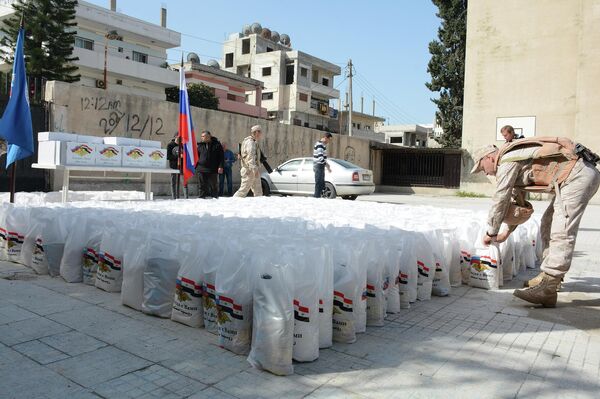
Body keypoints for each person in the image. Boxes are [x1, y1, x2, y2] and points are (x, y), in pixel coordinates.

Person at [470, 137, 600, 307]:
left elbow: (500, 199)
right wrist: (505, 233)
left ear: (489, 158)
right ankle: (549, 277)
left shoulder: (507, 161)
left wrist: (491, 232)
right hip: (574, 176)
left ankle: (548, 287)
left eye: (482, 168)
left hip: (577, 176)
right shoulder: (512, 160)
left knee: (562, 229)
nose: (485, 173)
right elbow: (517, 204)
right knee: (548, 222)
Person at [234, 125, 263, 198]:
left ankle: (259, 206)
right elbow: (251, 157)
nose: (260, 134)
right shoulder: (250, 142)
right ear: (256, 132)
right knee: (243, 190)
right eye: (259, 132)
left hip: (251, 169)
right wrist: (254, 169)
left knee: (258, 190)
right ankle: (233, 203)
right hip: (249, 170)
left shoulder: (251, 141)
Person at [196, 131, 224, 199]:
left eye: (203, 136)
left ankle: (215, 197)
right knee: (201, 185)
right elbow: (196, 156)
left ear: (209, 136)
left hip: (213, 168)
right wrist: (195, 166)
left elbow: (221, 157)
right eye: (201, 136)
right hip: (201, 168)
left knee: (213, 185)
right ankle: (201, 198)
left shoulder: (217, 144)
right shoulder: (199, 145)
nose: (202, 138)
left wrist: (220, 166)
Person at [166, 133, 188, 199]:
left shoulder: (183, 145)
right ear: (175, 136)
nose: (180, 138)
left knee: (184, 182)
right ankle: (174, 197)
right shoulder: (170, 145)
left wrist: (183, 157)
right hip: (174, 166)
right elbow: (168, 156)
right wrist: (178, 156)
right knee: (173, 182)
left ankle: (186, 197)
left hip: (182, 166)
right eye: (179, 137)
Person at [313, 132, 332, 198]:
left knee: (321, 183)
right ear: (326, 138)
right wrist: (327, 165)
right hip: (318, 165)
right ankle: (316, 197)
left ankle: (318, 197)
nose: (329, 142)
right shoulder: (320, 145)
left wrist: (326, 165)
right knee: (319, 183)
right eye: (329, 140)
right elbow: (320, 157)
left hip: (320, 166)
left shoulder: (322, 145)